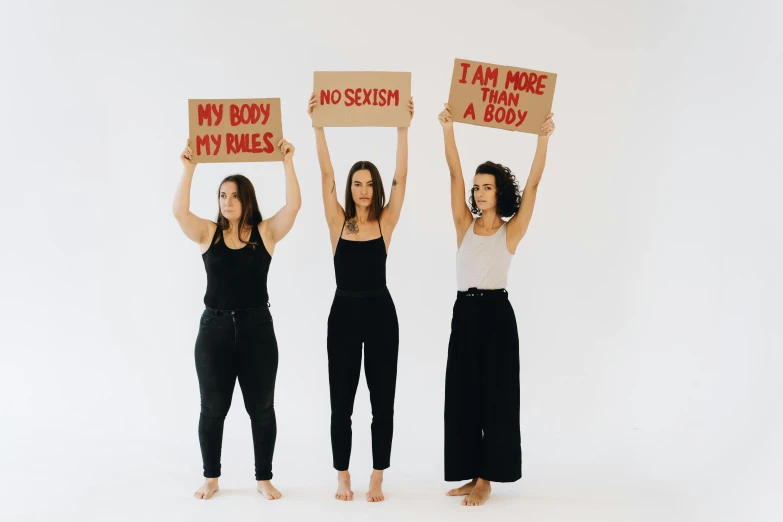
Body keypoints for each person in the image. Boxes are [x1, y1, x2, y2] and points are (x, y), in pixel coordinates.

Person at [437, 103, 556, 506]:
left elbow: (535, 186)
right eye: (476, 187)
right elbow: (453, 172)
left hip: (496, 316)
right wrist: (448, 128)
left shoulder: (511, 230)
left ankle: (487, 478)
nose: (478, 192)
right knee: (463, 394)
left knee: (495, 396)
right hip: (464, 314)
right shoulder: (462, 224)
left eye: (486, 186)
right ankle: (472, 474)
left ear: (499, 191)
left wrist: (543, 139)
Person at [172, 137, 302, 501]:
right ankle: (211, 478)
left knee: (261, 408)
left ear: (247, 200)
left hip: (257, 330)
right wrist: (190, 168)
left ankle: (264, 478)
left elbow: (294, 206)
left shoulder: (265, 234)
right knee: (212, 408)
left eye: (234, 196)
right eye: (222, 196)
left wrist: (287, 162)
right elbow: (180, 212)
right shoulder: (207, 234)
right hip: (213, 331)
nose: (227, 202)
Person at [307, 93, 414, 502]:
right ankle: (342, 474)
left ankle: (378, 475)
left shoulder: (386, 223)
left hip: (381, 313)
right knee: (342, 402)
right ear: (351, 188)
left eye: (370, 184)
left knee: (381, 400)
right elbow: (326, 175)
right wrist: (318, 126)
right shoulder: (338, 222)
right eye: (358, 183)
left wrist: (402, 128)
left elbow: (402, 179)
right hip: (344, 313)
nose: (365, 190)